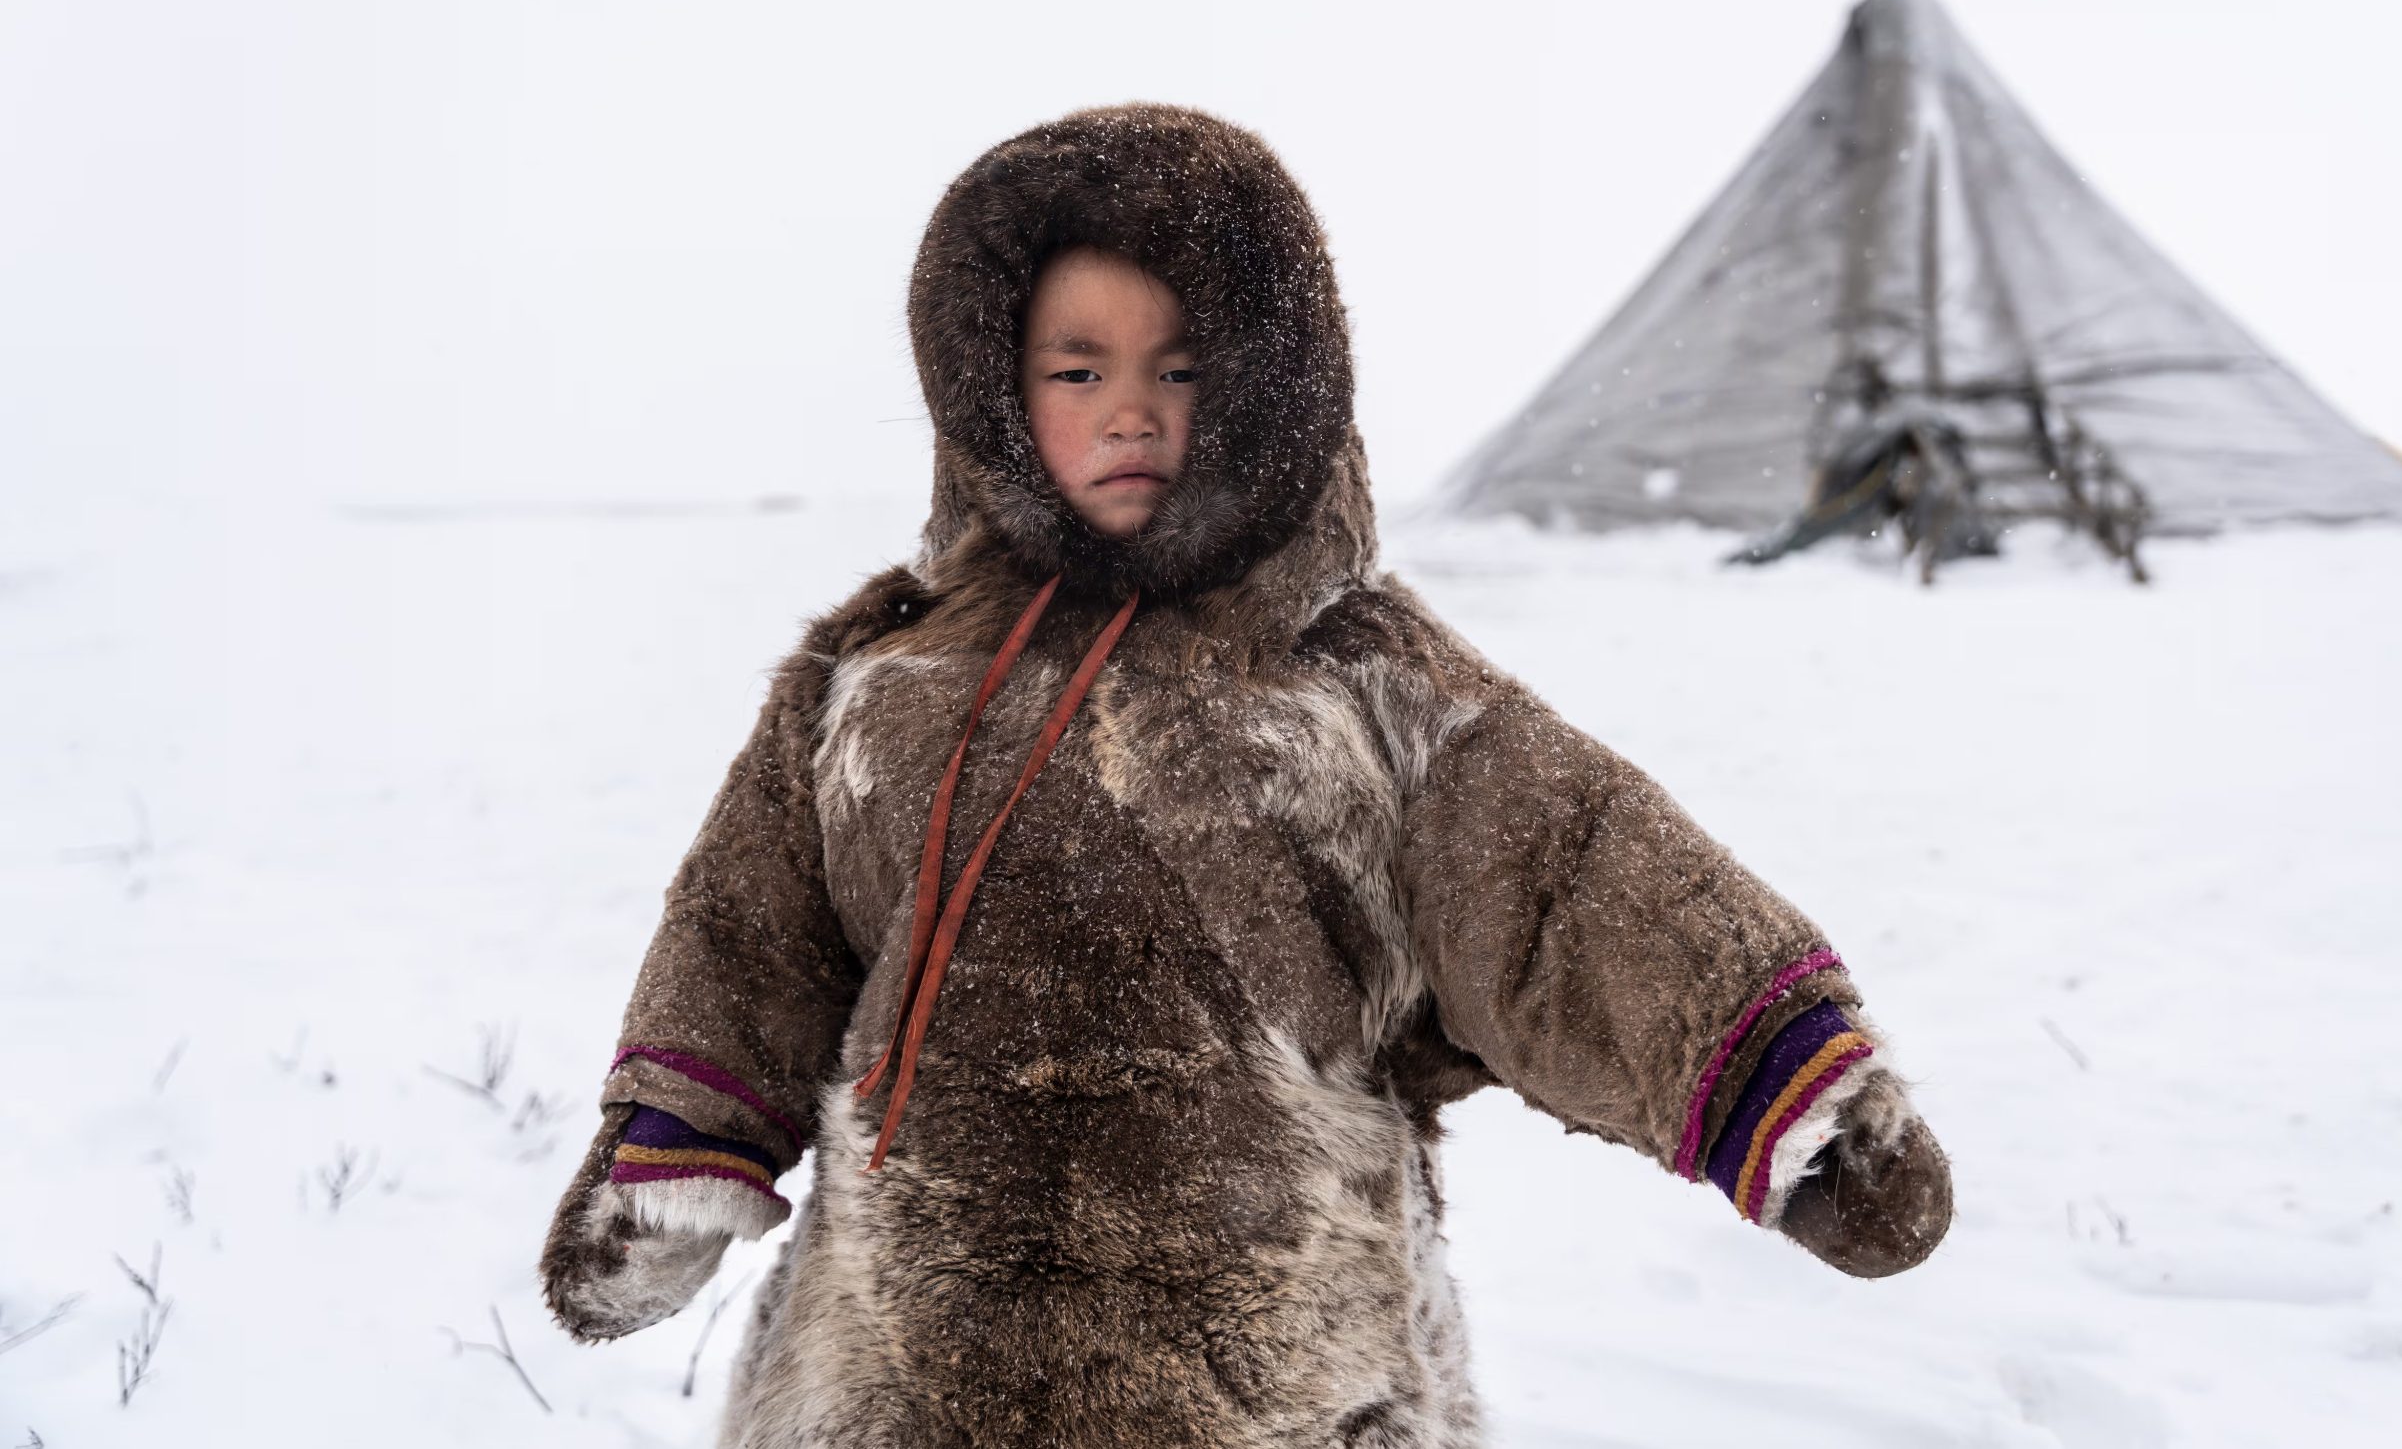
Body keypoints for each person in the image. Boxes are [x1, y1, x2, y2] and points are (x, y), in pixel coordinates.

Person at [539, 103, 1953, 1448]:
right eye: (1077, 370)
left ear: (1272, 386)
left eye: (1184, 369)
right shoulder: (879, 684)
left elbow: (1564, 881)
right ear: (993, 386)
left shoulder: (1363, 681)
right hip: (899, 1366)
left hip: (1269, 1377)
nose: (1133, 411)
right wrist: (674, 1155)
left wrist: (1790, 1089)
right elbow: (749, 934)